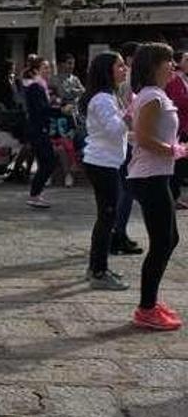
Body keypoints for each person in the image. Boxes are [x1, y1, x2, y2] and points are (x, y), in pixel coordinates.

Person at [127, 43, 184, 331]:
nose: (173, 65)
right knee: (163, 241)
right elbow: (144, 138)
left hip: (156, 174)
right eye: (168, 61)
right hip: (149, 177)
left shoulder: (157, 95)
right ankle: (146, 308)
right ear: (153, 66)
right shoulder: (151, 96)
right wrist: (175, 151)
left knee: (168, 239)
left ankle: (150, 301)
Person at [79, 51, 131, 291]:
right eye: (120, 66)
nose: (124, 69)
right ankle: (98, 271)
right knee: (107, 217)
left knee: (107, 216)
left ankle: (96, 267)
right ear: (107, 70)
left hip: (108, 162)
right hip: (102, 164)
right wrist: (132, 112)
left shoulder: (109, 96)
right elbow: (113, 129)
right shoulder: (102, 99)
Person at [24, 55, 70, 208]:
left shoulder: (40, 86)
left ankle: (36, 193)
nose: (48, 70)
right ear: (36, 70)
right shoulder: (35, 87)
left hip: (40, 129)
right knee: (48, 161)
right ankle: (34, 194)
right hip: (37, 129)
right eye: (44, 67)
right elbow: (42, 110)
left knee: (47, 161)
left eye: (49, 67)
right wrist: (61, 110)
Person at [112, 41, 144, 255]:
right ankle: (118, 234)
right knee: (126, 190)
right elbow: (125, 113)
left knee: (127, 190)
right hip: (127, 140)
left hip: (128, 140)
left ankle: (118, 232)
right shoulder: (129, 80)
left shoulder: (128, 79)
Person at [164, 49, 188, 208]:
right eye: (186, 60)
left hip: (185, 126)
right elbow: (177, 101)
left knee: (182, 165)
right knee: (178, 165)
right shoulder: (174, 81)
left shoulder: (184, 80)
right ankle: (172, 197)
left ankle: (175, 196)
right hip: (179, 128)